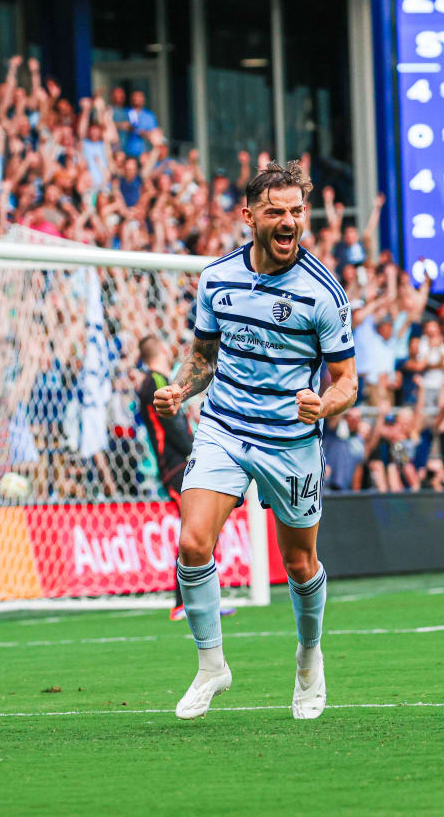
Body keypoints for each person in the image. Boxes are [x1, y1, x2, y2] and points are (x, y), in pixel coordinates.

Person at [153, 160, 356, 720]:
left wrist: (326, 402)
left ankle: (309, 657)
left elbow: (348, 382)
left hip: (290, 440)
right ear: (249, 216)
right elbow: (203, 357)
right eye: (277, 212)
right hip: (223, 427)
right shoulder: (216, 278)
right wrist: (180, 390)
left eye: (297, 211)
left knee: (298, 562)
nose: (290, 221)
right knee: (193, 543)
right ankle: (212, 666)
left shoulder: (323, 294)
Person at [136, 335, 235, 623]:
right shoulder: (155, 381)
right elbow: (170, 424)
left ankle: (198, 601)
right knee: (196, 531)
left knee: (201, 530)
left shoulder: (157, 380)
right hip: (176, 465)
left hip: (179, 463)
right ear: (162, 350)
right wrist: (197, 451)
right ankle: (184, 602)